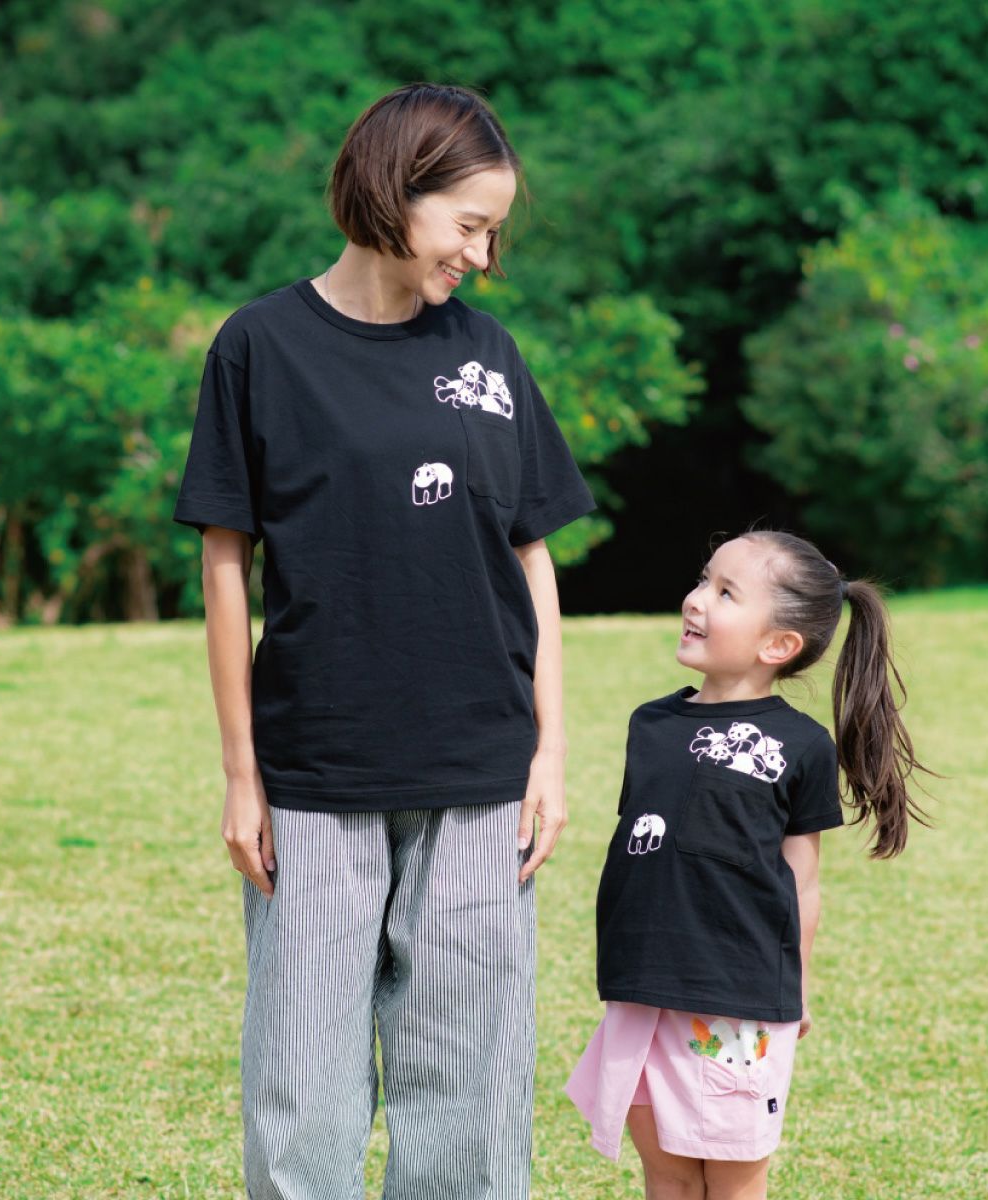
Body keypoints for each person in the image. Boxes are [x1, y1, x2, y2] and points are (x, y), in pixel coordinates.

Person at [171, 84, 596, 1200]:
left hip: (482, 770)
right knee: (302, 1091)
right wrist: (241, 774)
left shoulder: (488, 353)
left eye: (494, 232)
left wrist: (549, 754)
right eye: (469, 224)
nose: (483, 256)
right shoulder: (261, 346)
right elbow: (226, 563)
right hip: (316, 771)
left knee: (469, 1092)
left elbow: (531, 556)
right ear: (396, 191)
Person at [565, 528, 931, 1199]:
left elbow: (803, 881)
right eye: (703, 579)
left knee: (733, 1179)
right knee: (667, 1174)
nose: (696, 599)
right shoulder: (650, 724)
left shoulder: (801, 745)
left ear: (778, 646)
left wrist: (799, 986)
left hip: (734, 1000)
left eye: (726, 592)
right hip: (641, 986)